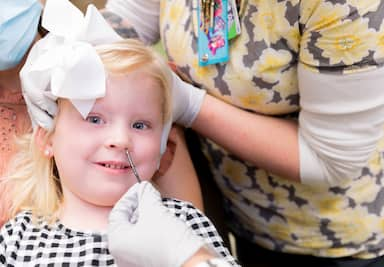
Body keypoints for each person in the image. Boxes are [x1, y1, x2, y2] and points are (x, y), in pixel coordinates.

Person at [102, 0, 384, 266]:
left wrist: (188, 104)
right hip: (233, 205)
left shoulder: (355, 6)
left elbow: (328, 158)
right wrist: (87, 46)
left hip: (327, 237)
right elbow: (131, 18)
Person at [0, 1, 238, 266]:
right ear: (46, 139)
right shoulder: (16, 240)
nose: (121, 139)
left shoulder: (184, 227)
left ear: (165, 152)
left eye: (140, 125)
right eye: (94, 119)